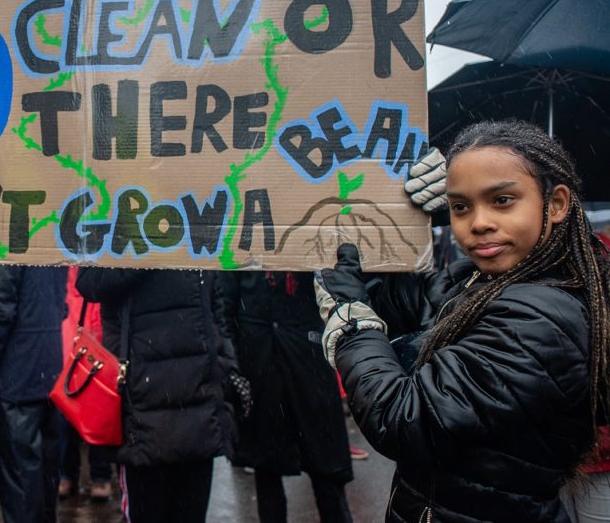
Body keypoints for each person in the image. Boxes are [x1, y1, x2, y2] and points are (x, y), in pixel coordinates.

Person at [315, 120, 610, 522]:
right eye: (461, 207)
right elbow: (413, 308)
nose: (479, 222)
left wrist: (353, 326)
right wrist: (404, 216)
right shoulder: (484, 279)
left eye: (502, 200)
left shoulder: (542, 317)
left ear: (556, 204)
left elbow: (402, 419)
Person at [75, 267, 244, 523]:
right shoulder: (115, 241)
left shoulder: (199, 242)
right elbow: (90, 283)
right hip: (141, 414)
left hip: (198, 414)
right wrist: (145, 253)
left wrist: (228, 368)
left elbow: (216, 308)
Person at [217, 270, 354, 522]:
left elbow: (335, 280)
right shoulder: (236, 250)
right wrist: (232, 365)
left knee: (326, 467)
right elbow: (225, 304)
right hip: (260, 368)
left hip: (308, 363)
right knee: (268, 469)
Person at [0, 264, 66, 523]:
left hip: (15, 373)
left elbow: (0, 308)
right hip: (49, 366)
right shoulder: (53, 242)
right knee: (45, 473)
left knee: (20, 478)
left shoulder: (9, 246)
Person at [57, 266, 113, 502]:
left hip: (92, 342)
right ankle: (73, 474)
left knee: (95, 414)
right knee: (69, 414)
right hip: (73, 340)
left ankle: (93, 474)